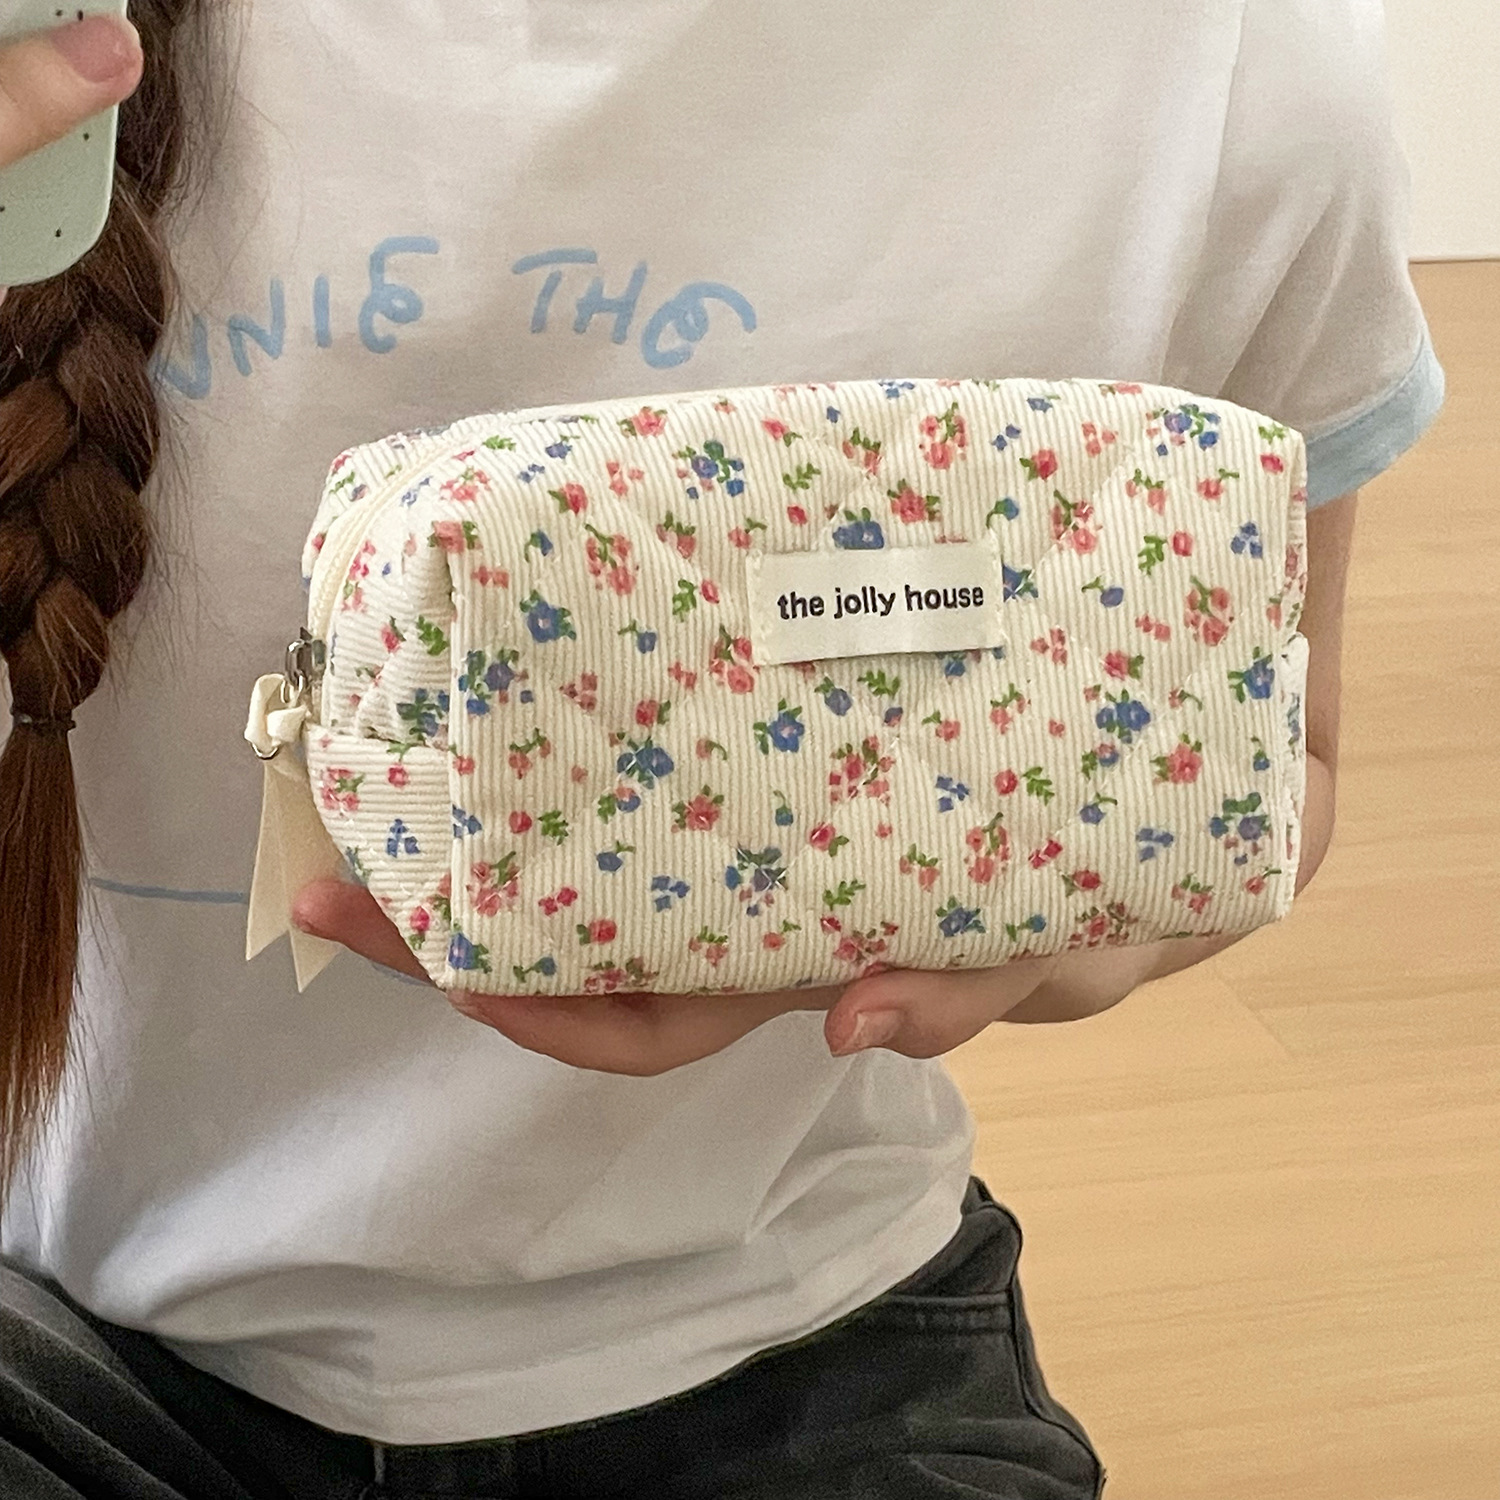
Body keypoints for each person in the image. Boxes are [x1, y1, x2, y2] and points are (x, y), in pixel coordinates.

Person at [0, 3, 1444, 1496]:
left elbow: (1287, 763)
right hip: (62, 1339)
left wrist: (1054, 926)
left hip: (803, 1334)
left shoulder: (1229, 64)